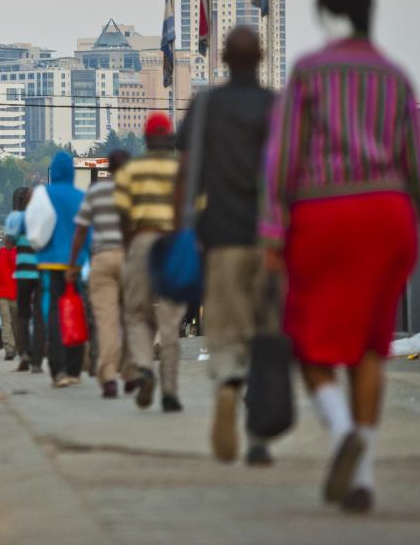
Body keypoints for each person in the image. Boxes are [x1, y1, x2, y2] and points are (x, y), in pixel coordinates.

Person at [261, 0, 420, 514]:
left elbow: (280, 159)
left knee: (309, 338)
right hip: (386, 218)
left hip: (322, 215)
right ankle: (363, 474)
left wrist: (273, 232)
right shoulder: (395, 77)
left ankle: (342, 428)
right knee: (371, 345)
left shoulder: (308, 71)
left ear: (329, 18)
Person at [178, 26, 277, 464]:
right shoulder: (276, 109)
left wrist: (186, 226)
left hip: (220, 237)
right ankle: (258, 435)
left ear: (222, 58)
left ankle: (227, 389)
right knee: (266, 332)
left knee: (227, 329)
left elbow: (188, 170)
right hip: (271, 239)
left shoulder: (205, 107)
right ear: (261, 57)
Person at [117, 113, 184, 412]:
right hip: (172, 243)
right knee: (170, 321)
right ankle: (170, 390)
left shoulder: (133, 170)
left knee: (136, 313)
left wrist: (130, 246)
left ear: (145, 139)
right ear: (169, 138)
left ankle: (144, 366)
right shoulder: (182, 169)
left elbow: (122, 215)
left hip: (142, 241)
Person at [67, 149, 136, 399]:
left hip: (102, 260)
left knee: (106, 320)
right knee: (130, 318)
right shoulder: (134, 192)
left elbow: (81, 231)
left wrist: (72, 265)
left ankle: (108, 376)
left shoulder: (95, 192)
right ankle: (130, 372)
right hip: (130, 259)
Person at [31, 151, 88, 387]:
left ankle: (58, 369)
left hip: (52, 263)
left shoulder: (45, 194)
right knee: (76, 312)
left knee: (54, 313)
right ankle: (75, 368)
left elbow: (36, 233)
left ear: (53, 173)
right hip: (78, 265)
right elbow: (89, 233)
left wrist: (42, 249)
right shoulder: (81, 197)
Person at [7, 187, 45, 373]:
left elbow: (9, 242)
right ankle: (37, 361)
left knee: (22, 315)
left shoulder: (16, 219)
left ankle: (24, 354)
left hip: (22, 273)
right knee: (39, 317)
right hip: (40, 273)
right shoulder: (46, 219)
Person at [0, 234, 20, 361]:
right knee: (8, 322)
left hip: (13, 294)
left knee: (12, 322)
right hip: (5, 294)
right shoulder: (0, 254)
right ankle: (10, 349)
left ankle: (14, 347)